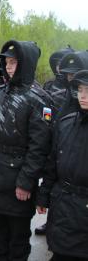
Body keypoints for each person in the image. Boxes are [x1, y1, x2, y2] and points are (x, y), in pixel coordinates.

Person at [0, 41, 53, 261]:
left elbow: (39, 147)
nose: (8, 67)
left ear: (25, 64)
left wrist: (26, 182)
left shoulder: (39, 100)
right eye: (6, 62)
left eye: (14, 62)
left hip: (17, 178)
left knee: (17, 240)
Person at [36, 70, 88, 261]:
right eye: (80, 90)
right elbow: (52, 164)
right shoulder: (66, 123)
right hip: (62, 204)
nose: (83, 95)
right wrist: (43, 195)